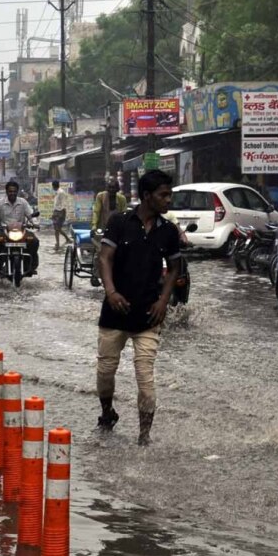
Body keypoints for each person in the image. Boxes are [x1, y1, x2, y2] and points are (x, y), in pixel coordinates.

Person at [94, 170, 182, 446]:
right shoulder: (119, 223)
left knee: (145, 376)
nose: (168, 200)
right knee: (106, 370)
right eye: (163, 195)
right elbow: (104, 258)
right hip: (115, 312)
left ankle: (144, 437)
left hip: (148, 315)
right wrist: (111, 292)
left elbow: (175, 267)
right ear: (147, 196)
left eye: (169, 194)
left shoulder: (168, 231)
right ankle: (107, 412)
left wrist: (163, 301)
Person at [0, 179, 39, 273]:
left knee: (34, 241)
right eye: (10, 191)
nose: (12, 193)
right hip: (4, 231)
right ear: (6, 191)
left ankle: (31, 265)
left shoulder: (23, 202)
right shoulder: (0, 203)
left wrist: (35, 223)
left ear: (17, 192)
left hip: (21, 231)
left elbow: (31, 215)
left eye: (14, 191)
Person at [51, 180, 69, 251]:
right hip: (57, 212)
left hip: (60, 212)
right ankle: (67, 239)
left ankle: (57, 244)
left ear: (53, 186)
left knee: (57, 229)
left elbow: (63, 203)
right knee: (57, 229)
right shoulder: (58, 192)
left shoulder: (61, 192)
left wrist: (60, 213)